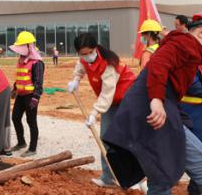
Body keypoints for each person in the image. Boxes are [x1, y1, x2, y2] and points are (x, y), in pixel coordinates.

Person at [102, 15, 202, 194]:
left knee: (162, 170)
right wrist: (156, 100)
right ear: (201, 33)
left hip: (158, 106)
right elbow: (158, 65)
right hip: (154, 107)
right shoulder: (186, 42)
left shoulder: (185, 46)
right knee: (166, 172)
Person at [67, 33, 136, 188]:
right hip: (110, 102)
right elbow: (80, 68)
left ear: (95, 48)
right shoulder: (84, 59)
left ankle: (134, 178)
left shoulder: (108, 64)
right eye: (82, 54)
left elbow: (107, 93)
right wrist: (75, 80)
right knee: (105, 138)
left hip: (127, 100)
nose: (86, 56)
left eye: (89, 53)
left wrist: (94, 113)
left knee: (123, 139)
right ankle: (108, 178)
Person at [10, 31, 44, 157]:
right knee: (15, 118)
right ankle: (21, 142)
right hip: (21, 95)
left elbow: (39, 82)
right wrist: (14, 89)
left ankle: (32, 148)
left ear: (29, 46)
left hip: (31, 96)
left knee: (31, 121)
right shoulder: (21, 59)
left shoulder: (37, 63)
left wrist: (36, 97)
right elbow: (20, 77)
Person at [180, 64, 202, 195]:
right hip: (191, 112)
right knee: (197, 151)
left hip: (196, 112)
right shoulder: (190, 60)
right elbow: (192, 84)